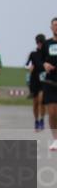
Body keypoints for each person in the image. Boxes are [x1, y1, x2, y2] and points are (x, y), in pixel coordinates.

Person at [26, 34, 48, 131]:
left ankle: (42, 119)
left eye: (41, 43)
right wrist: (29, 69)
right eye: (38, 42)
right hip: (34, 80)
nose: (39, 44)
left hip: (44, 80)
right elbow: (27, 65)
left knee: (41, 100)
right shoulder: (33, 54)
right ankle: (36, 121)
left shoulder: (48, 55)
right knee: (35, 103)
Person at [43, 17, 57, 151]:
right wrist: (45, 64)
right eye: (54, 25)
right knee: (52, 112)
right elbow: (39, 60)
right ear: (51, 27)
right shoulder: (46, 44)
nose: (56, 27)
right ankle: (55, 139)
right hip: (50, 82)